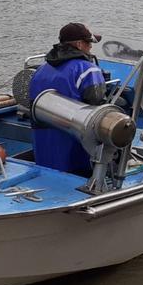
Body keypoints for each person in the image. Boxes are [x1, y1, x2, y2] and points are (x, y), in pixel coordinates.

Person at [27, 22, 106, 173]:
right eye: (89, 43)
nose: (90, 47)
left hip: (43, 145)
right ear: (79, 44)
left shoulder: (41, 69)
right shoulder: (88, 70)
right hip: (74, 147)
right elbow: (98, 109)